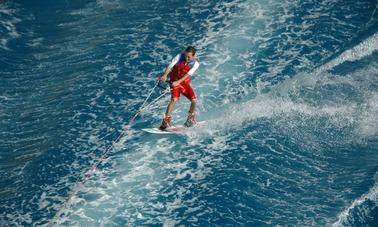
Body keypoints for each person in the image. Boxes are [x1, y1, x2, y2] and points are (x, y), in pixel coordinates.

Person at [159, 46, 200, 130]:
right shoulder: (179, 57)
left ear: (193, 56)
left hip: (184, 83)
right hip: (174, 82)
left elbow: (188, 74)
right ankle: (165, 121)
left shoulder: (195, 64)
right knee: (174, 100)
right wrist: (165, 75)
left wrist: (178, 82)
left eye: (189, 57)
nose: (187, 58)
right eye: (186, 56)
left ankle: (190, 119)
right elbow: (170, 66)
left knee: (194, 100)